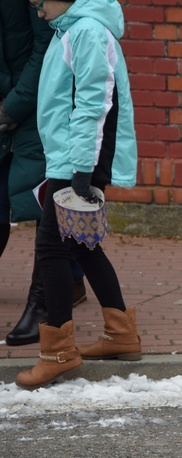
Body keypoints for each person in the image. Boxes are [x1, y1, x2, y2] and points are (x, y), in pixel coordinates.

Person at [16, 0, 140, 391]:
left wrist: (81, 169)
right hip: (72, 157)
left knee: (51, 248)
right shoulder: (70, 29)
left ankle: (57, 352)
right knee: (81, 243)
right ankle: (121, 334)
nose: (36, 11)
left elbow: (94, 102)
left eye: (39, 2)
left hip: (77, 160)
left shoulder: (86, 31)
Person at [1, 0, 87, 348]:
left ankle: (48, 308)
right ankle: (69, 288)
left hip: (41, 110)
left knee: (50, 215)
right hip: (19, 104)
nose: (39, 9)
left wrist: (13, 105)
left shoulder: (85, 31)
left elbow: (47, 44)